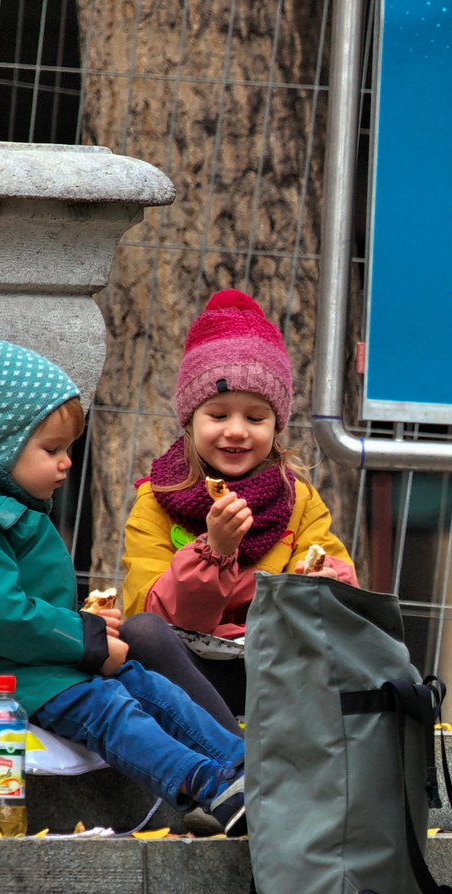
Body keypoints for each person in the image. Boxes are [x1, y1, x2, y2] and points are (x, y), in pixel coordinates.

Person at [0, 332, 248, 833]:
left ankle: (250, 768)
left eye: (68, 448)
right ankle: (209, 786)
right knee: (109, 707)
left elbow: (29, 607)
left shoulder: (7, 512)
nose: (67, 462)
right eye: (51, 449)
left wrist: (87, 631)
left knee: (146, 684)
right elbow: (1, 615)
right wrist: (88, 641)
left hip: (32, 660)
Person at [120, 289, 356, 720]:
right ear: (189, 419)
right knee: (141, 635)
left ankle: (236, 767)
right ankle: (234, 763)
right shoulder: (156, 500)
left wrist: (323, 581)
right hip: (192, 674)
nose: (236, 431)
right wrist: (215, 552)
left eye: (254, 417)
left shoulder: (297, 497)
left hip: (278, 670)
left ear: (275, 424)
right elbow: (153, 615)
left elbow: (337, 599)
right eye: (218, 414)